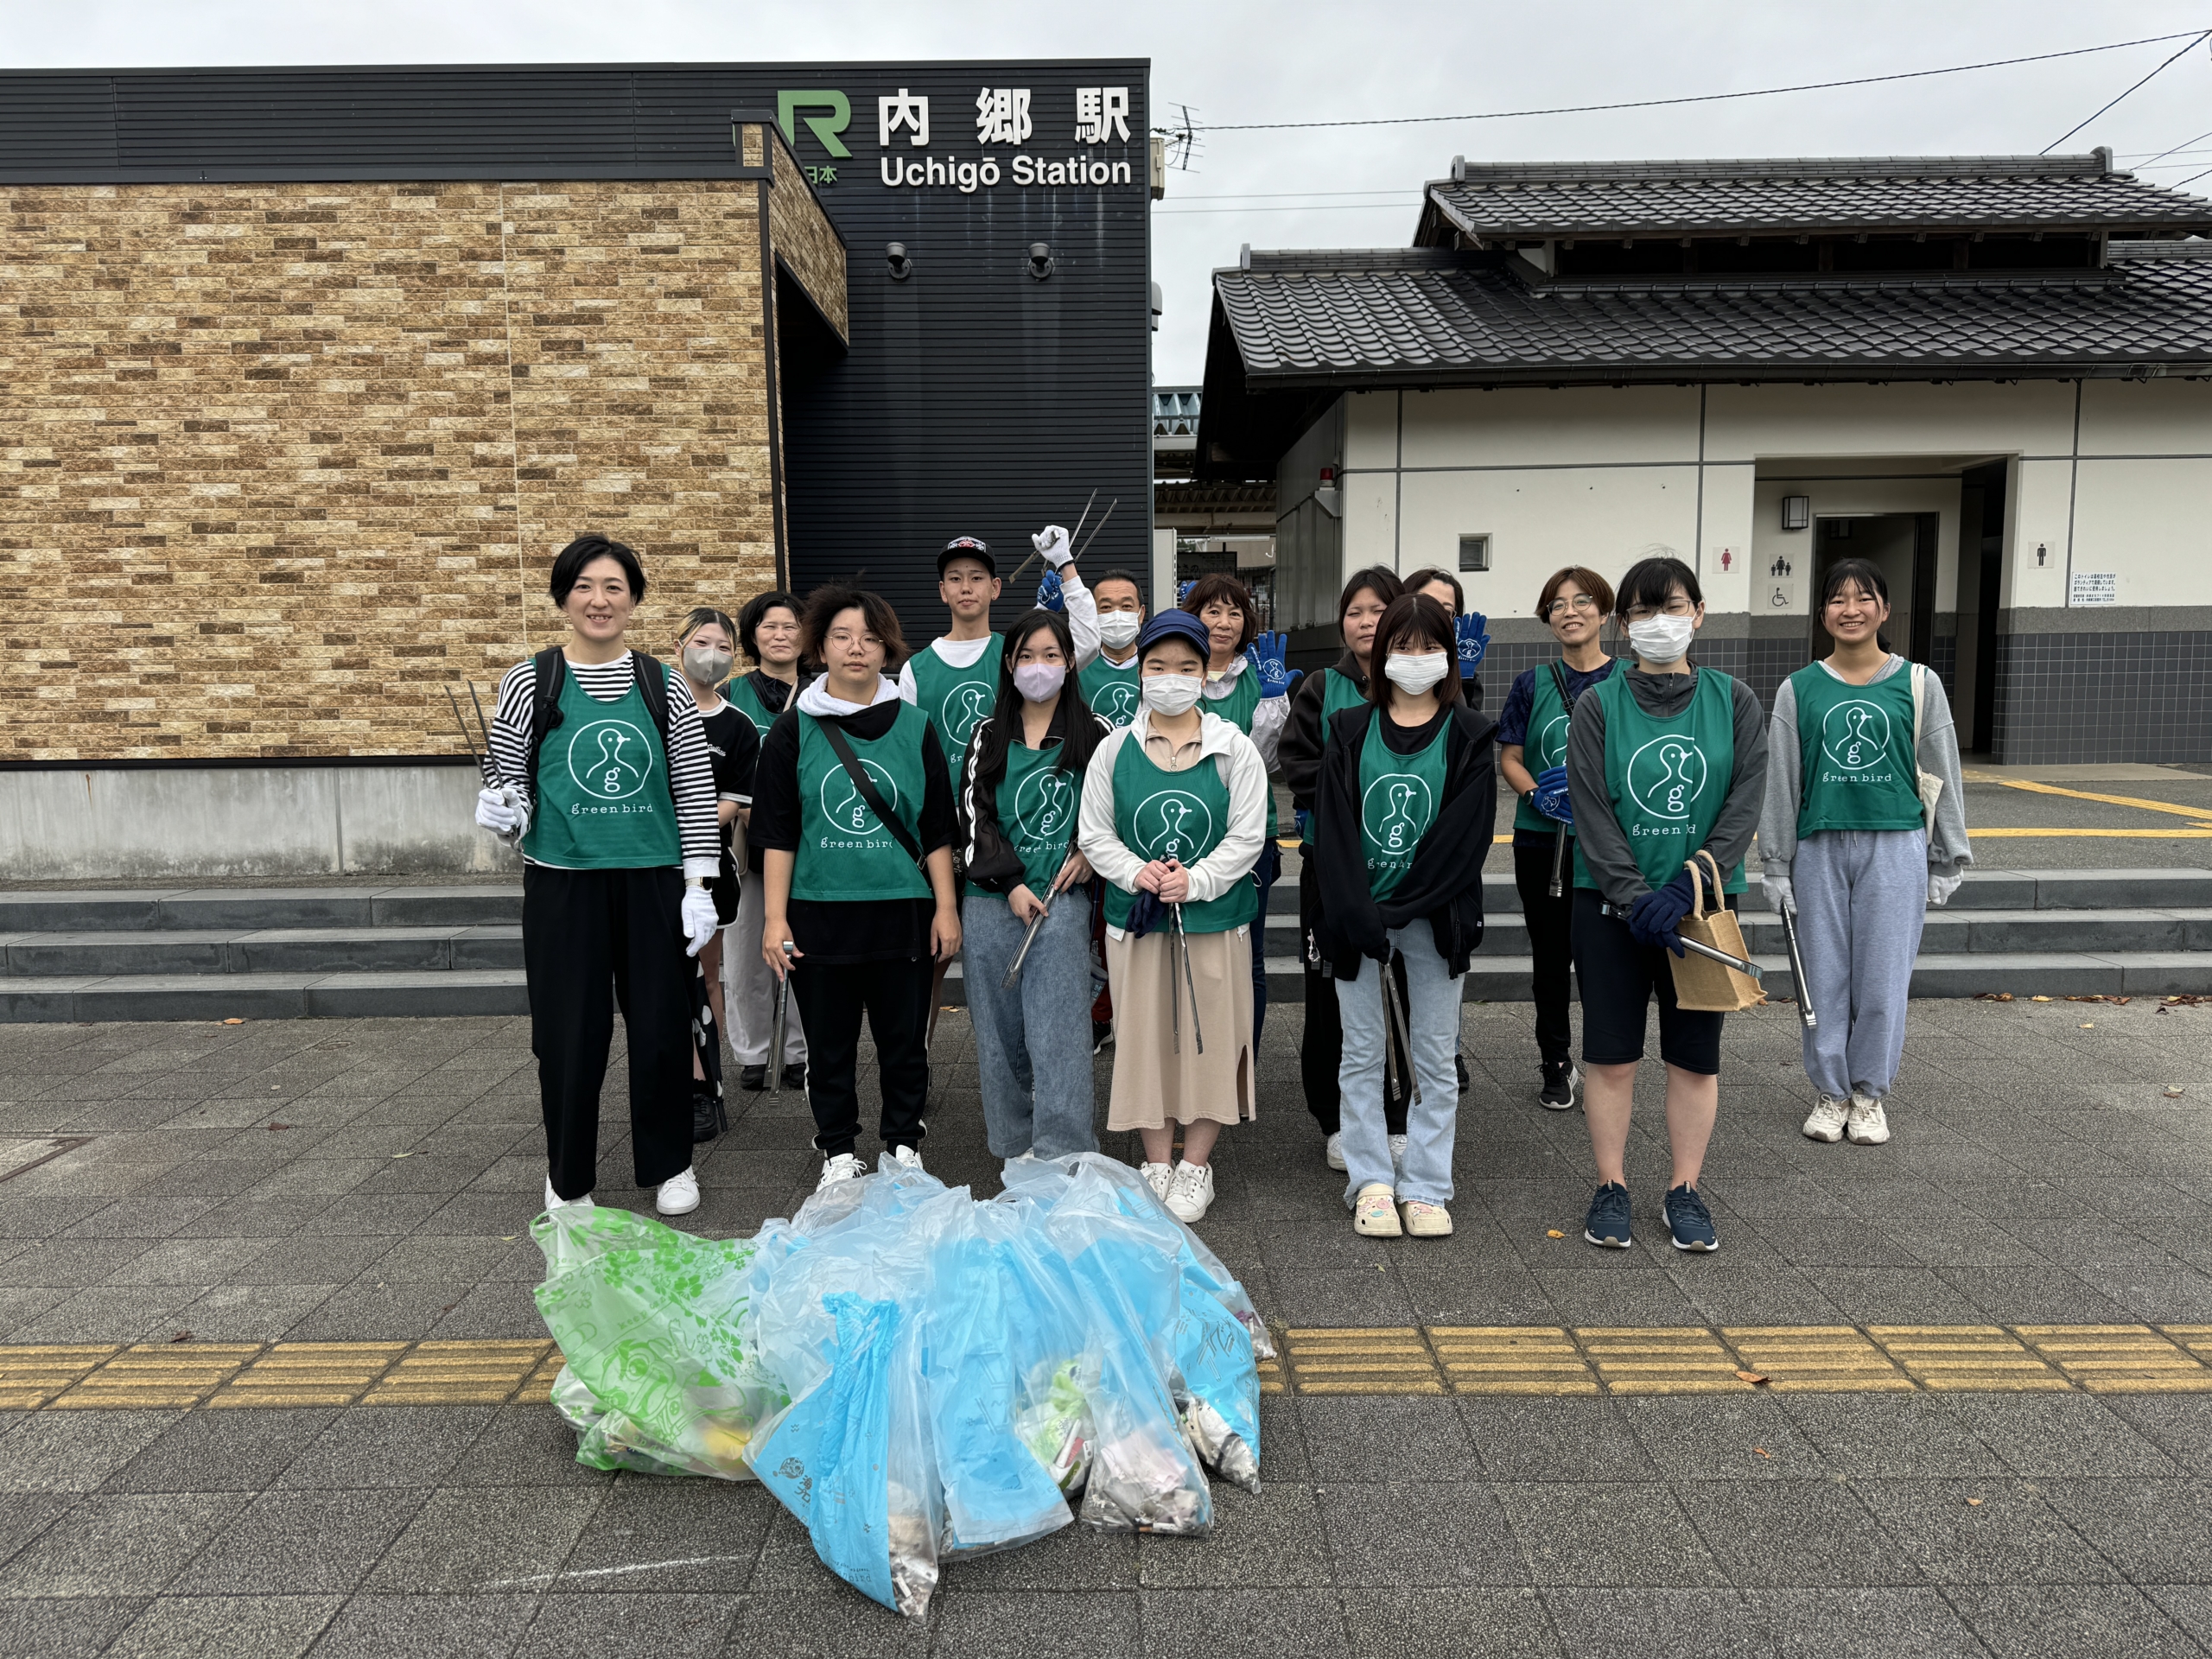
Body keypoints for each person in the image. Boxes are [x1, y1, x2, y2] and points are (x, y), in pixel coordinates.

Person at [472, 533, 721, 1218]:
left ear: (635, 599)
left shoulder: (663, 683)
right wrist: (501, 811)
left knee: (662, 1027)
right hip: (563, 881)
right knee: (566, 1032)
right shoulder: (531, 681)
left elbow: (695, 788)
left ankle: (670, 1164)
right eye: (584, 585)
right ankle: (567, 1174)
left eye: (614, 586)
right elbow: (514, 782)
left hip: (652, 880)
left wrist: (699, 885)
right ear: (562, 598)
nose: (599, 600)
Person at [1567, 554, 1766, 1255]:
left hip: (1703, 909)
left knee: (1694, 1057)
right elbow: (1591, 810)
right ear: (1624, 626)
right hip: (1609, 910)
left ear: (1699, 613)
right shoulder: (1598, 706)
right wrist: (1634, 895)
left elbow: (1744, 805)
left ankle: (1685, 1188)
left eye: (1673, 606)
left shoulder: (1734, 701)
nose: (1660, 623)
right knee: (1612, 1056)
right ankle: (1612, 1184)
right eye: (1644, 612)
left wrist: (1687, 886)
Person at [753, 586, 961, 1188]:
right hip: (819, 914)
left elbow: (937, 827)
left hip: (903, 911)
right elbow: (778, 832)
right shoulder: (793, 730)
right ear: (819, 646)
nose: (856, 648)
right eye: (842, 636)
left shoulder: (916, 726)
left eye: (870, 638)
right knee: (830, 1045)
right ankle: (838, 1151)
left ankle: (902, 1143)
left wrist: (946, 907)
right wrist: (773, 919)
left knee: (905, 1044)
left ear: (887, 648)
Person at [1760, 557, 1971, 1146]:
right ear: (1822, 612)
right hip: (1819, 847)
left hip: (1894, 844)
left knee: (1881, 980)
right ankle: (1830, 1092)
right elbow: (1782, 779)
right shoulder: (1798, 688)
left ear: (1883, 609)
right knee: (1823, 977)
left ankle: (1868, 1094)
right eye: (1837, 600)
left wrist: (1947, 854)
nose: (1850, 610)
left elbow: (1942, 771)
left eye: (1863, 598)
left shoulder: (1918, 683)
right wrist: (1776, 860)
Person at [1313, 594, 1496, 1238]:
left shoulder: (1471, 735)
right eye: (1402, 646)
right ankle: (1370, 1182)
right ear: (1379, 654)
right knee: (1360, 1051)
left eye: (1427, 647)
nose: (1414, 660)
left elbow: (1463, 841)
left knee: (1435, 1055)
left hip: (1434, 919)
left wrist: (1400, 907)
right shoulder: (1348, 730)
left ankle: (1425, 1185)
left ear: (1446, 655)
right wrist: (1360, 910)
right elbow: (1333, 833)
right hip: (1356, 923)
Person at [1078, 611, 1268, 1224]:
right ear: (1140, 671)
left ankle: (1195, 1167)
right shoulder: (1113, 749)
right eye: (1158, 666)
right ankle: (1156, 1162)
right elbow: (1094, 833)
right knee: (1145, 1039)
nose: (1171, 678)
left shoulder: (1232, 748)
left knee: (1210, 1039)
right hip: (1137, 921)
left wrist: (1198, 879)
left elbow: (1248, 836)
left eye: (1186, 667)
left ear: (1204, 672)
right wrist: (1138, 872)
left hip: (1214, 920)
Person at [957, 609, 1109, 1169]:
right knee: (998, 1033)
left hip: (1062, 904)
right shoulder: (987, 734)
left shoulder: (1095, 735)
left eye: (1050, 655)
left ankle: (1064, 1147)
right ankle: (1014, 1145)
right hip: (993, 904)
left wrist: (1092, 854)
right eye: (1026, 656)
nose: (1038, 667)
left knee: (1061, 1031)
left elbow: (1109, 812)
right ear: (1008, 664)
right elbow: (974, 818)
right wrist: (1011, 883)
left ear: (1070, 663)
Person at [1280, 566, 1412, 1171]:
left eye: (1379, 610)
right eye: (1355, 612)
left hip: (1404, 869)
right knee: (1329, 989)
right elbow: (1297, 764)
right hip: (1328, 866)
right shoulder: (1319, 687)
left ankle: (1396, 1113)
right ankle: (1334, 1119)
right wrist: (1356, 794)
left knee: (1404, 991)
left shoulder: (1420, 684)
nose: (1367, 622)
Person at [1493, 566, 1618, 1110]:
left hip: (1609, 845)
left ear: (1605, 612)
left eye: (1583, 601)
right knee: (1550, 955)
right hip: (1541, 842)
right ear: (1547, 618)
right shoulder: (1532, 683)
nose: (1571, 611)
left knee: (1604, 956)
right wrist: (1534, 796)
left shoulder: (1629, 679)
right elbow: (1511, 756)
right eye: (1558, 604)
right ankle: (1555, 1062)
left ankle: (1606, 1063)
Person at [1180, 573, 1292, 1044]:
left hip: (1251, 834)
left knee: (1250, 955)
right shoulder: (1174, 674)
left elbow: (1266, 764)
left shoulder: (1261, 676)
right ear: (1193, 616)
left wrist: (1272, 703)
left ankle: (1242, 1063)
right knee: (1191, 950)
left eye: (1235, 612)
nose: (1224, 623)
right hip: (1186, 830)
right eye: (1212, 610)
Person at [675, 607, 760, 1141]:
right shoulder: (653, 708)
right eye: (702, 642)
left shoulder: (737, 725)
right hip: (650, 866)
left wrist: (691, 822)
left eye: (724, 646)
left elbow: (736, 799)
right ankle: (672, 1079)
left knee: (707, 976)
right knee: (662, 980)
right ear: (678, 643)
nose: (713, 654)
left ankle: (704, 1082)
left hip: (710, 867)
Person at [725, 590, 808, 1091]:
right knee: (745, 948)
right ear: (752, 635)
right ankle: (754, 1051)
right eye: (769, 626)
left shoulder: (824, 690)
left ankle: (800, 1049)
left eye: (791, 626)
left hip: (811, 840)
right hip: (747, 841)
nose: (780, 635)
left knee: (804, 948)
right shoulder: (732, 694)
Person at [1402, 566, 1491, 711]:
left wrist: (1462, 678)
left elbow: (1470, 729)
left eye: (1446, 611)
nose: (1435, 615)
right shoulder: (1385, 666)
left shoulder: (1466, 676)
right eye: (1426, 603)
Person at [1077, 567, 1147, 728]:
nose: (1117, 615)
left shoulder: (1157, 668)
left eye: (1127, 606)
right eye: (1106, 607)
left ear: (1141, 614)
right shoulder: (1077, 668)